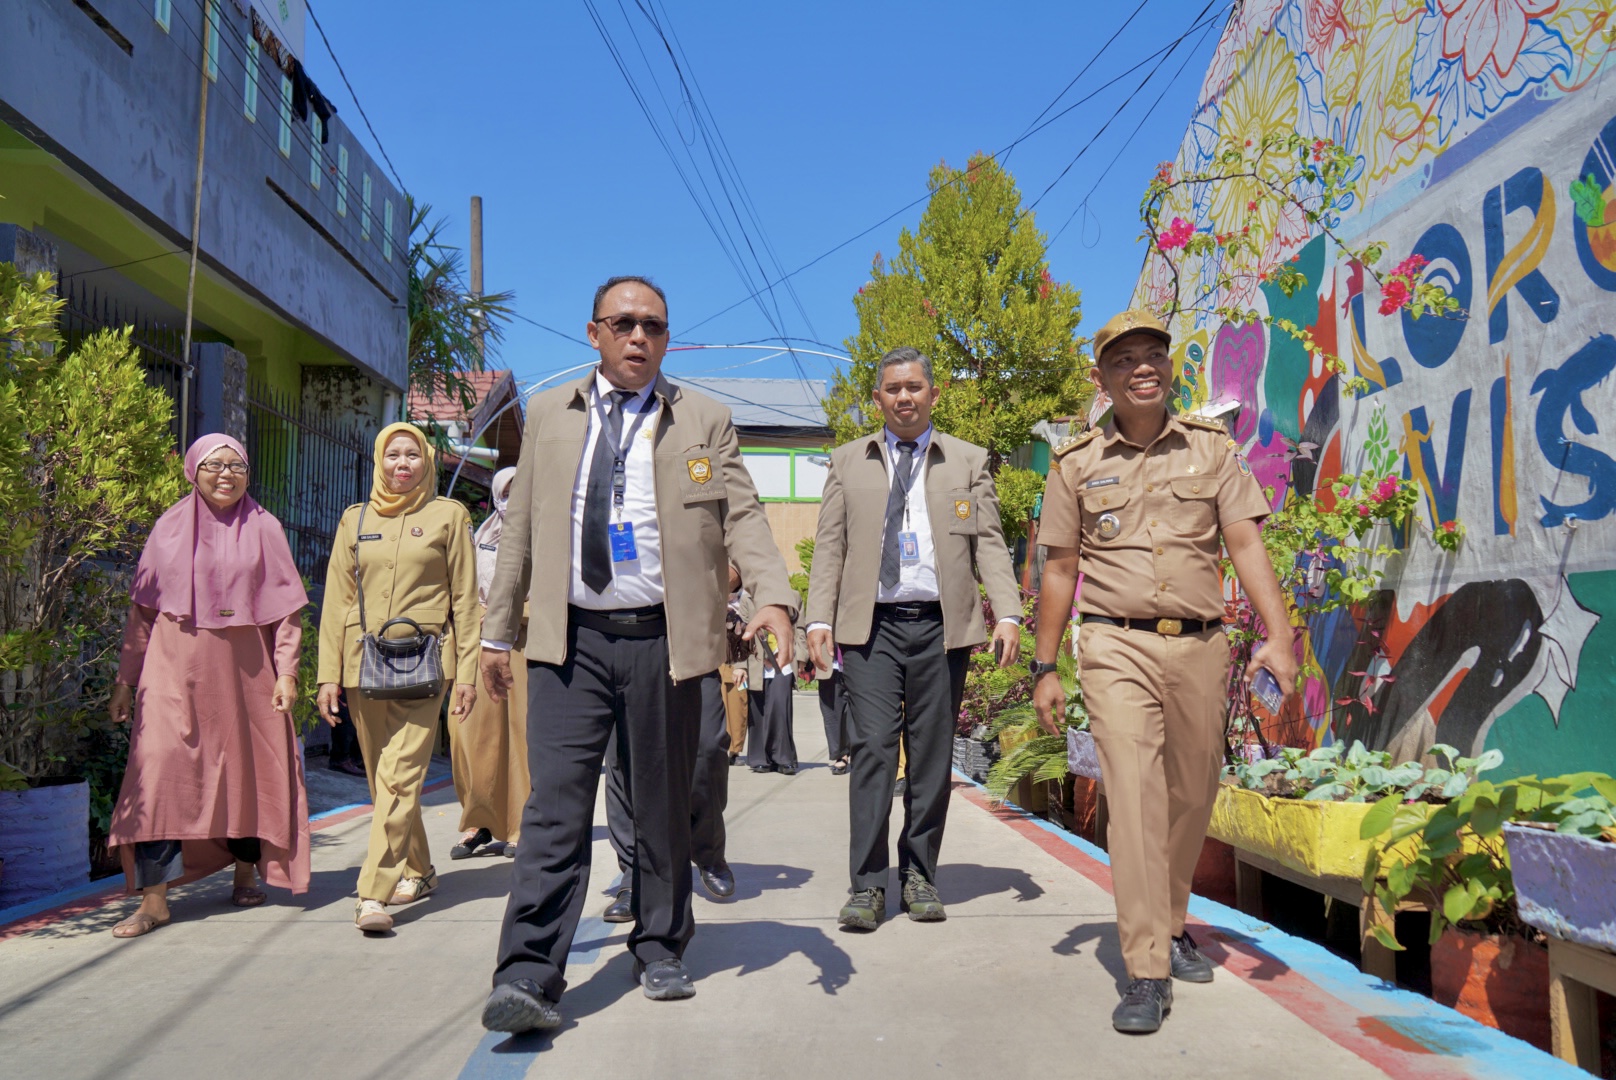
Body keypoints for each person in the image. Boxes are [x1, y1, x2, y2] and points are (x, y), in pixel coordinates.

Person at [478, 276, 796, 1032]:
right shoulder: (552, 414)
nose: (637, 337)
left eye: (652, 325)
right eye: (622, 323)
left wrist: (774, 595)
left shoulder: (705, 419)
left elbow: (742, 514)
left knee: (659, 806)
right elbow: (518, 528)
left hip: (663, 641)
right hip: (569, 642)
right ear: (593, 333)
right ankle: (527, 973)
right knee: (554, 808)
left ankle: (659, 946)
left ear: (665, 338)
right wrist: (495, 634)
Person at [1030, 309, 1298, 1035]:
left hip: (1202, 644)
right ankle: (1146, 966)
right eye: (1124, 359)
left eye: (1153, 354)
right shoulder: (1076, 463)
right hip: (1115, 645)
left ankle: (1173, 917)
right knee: (1137, 793)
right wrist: (1044, 665)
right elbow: (1059, 568)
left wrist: (1278, 633)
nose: (1141, 366)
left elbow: (1243, 540)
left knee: (1193, 789)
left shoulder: (1211, 451)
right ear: (1103, 378)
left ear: (1169, 366)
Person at [806, 346, 1022, 931]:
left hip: (941, 630)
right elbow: (829, 547)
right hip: (871, 631)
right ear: (877, 399)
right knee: (873, 750)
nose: (904, 397)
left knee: (929, 758)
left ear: (933, 393)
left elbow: (991, 545)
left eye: (914, 388)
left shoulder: (968, 461)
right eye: (893, 389)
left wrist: (1008, 612)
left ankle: (919, 872)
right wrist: (817, 620)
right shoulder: (848, 462)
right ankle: (870, 884)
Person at [107, 435, 310, 938]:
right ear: (192, 471)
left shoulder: (265, 527)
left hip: (246, 679)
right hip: (171, 676)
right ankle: (154, 901)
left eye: (236, 464)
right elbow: (142, 615)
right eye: (214, 465)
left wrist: (287, 672)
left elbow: (286, 614)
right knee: (157, 780)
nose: (226, 474)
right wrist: (124, 682)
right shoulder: (168, 528)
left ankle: (245, 873)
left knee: (246, 775)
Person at [316, 422, 480, 934]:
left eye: (411, 455)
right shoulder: (354, 519)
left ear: (426, 462)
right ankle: (421, 870)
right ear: (379, 461)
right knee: (383, 780)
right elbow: (336, 600)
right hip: (361, 663)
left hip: (425, 663)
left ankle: (372, 892)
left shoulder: (449, 516)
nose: (401, 464)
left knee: (400, 775)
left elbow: (466, 603)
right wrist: (327, 675)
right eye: (392, 455)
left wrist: (468, 674)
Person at [602, 562, 750, 923]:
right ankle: (634, 871)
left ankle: (707, 851)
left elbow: (736, 563)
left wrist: (701, 579)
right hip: (617, 628)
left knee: (707, 748)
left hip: (691, 632)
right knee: (623, 758)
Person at [450, 466, 529, 861]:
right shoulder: (479, 537)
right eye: (508, 491)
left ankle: (519, 825)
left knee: (520, 735)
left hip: (522, 642)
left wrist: (511, 611)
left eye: (523, 490)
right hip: (475, 642)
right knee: (470, 733)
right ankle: (478, 821)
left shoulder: (540, 535)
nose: (514, 498)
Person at [740, 585, 798, 775]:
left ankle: (784, 758)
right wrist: (740, 666)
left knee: (781, 710)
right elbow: (740, 634)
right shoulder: (748, 600)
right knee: (757, 713)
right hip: (757, 663)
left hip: (784, 663)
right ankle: (759, 758)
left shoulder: (793, 597)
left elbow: (801, 629)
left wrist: (801, 656)